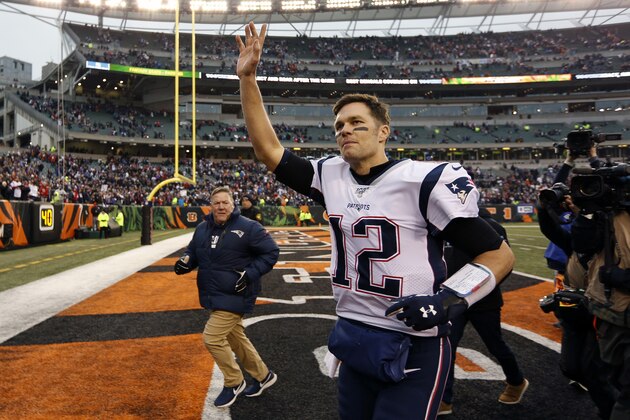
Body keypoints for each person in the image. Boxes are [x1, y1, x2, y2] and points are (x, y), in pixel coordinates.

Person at [236, 22, 515, 419]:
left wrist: (450, 299)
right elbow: (269, 151)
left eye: (357, 123)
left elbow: (498, 255)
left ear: (384, 132)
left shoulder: (422, 181)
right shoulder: (330, 176)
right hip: (353, 333)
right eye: (339, 126)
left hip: (415, 340)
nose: (345, 130)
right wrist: (248, 78)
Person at [173, 186, 280, 408]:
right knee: (236, 338)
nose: (221, 206)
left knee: (211, 337)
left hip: (237, 293)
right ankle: (263, 376)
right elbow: (193, 251)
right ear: (210, 205)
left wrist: (250, 273)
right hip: (213, 293)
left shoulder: (249, 227)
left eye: (225, 202)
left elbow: (271, 252)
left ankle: (234, 381)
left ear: (233, 204)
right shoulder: (202, 228)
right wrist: (185, 262)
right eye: (216, 203)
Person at [439, 208, 527, 416]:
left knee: (495, 344)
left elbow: (503, 265)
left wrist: (482, 289)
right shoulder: (444, 223)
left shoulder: (492, 226)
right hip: (453, 297)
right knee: (447, 347)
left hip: (484, 300)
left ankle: (516, 381)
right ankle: (445, 398)